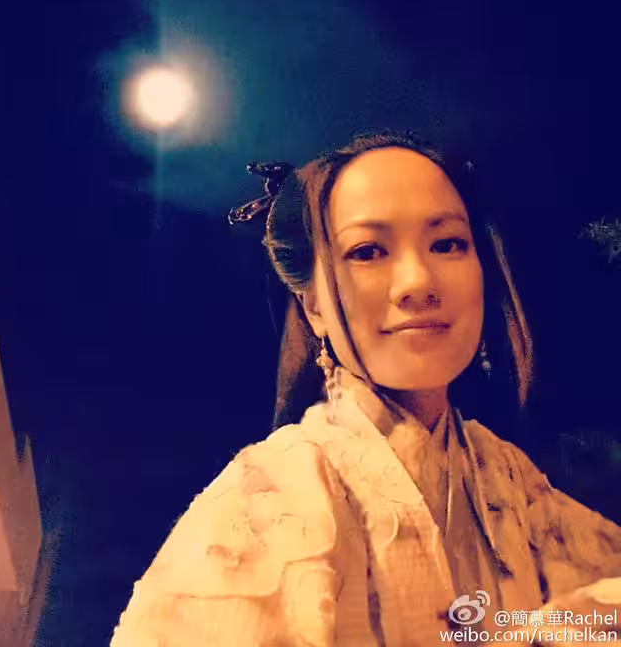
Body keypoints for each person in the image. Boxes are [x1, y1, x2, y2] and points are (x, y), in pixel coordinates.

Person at [110, 129, 621, 646]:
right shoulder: (271, 498)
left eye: (447, 243)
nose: (418, 282)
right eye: (368, 251)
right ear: (313, 305)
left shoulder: (504, 473)